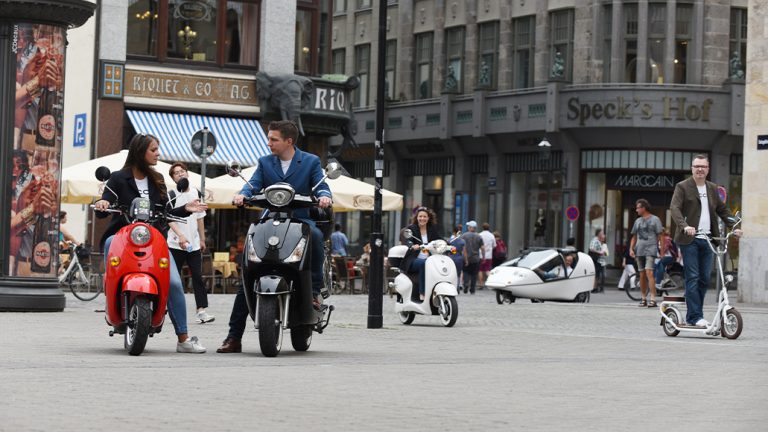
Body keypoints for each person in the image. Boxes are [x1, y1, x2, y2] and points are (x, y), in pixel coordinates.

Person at [218, 120, 332, 353]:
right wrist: (242, 194)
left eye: (273, 139)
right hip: (270, 219)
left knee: (317, 236)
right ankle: (234, 337)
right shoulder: (264, 162)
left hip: (301, 220)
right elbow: (253, 184)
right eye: (269, 138)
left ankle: (314, 291)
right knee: (250, 272)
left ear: (288, 141)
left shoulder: (309, 161)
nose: (268, 143)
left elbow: (321, 185)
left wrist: (324, 196)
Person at [93, 133, 208, 354]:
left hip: (154, 238)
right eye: (154, 150)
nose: (158, 153)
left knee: (174, 283)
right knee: (109, 242)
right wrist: (103, 202)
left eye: (157, 149)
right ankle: (111, 294)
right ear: (140, 151)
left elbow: (166, 212)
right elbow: (105, 200)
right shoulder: (118, 178)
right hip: (124, 236)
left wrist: (186, 209)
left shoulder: (158, 179)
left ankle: (183, 338)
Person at [670, 154, 742, 327]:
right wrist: (685, 226)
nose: (700, 169)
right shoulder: (683, 187)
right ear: (692, 169)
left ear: (708, 169)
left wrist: (734, 227)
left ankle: (695, 312)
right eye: (697, 166)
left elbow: (723, 211)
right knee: (693, 277)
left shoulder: (712, 188)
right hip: (690, 239)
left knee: (704, 278)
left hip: (709, 239)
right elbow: (675, 208)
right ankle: (695, 317)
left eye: (703, 166)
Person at [167, 162, 214, 324]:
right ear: (173, 178)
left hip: (193, 244)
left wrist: (201, 239)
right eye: (176, 173)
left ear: (187, 173)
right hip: (175, 244)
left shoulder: (196, 192)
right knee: (172, 278)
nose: (180, 174)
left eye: (182, 171)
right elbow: (168, 218)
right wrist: (180, 236)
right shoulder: (171, 194)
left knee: (197, 277)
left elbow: (200, 217)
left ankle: (201, 310)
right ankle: (165, 307)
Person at [399, 207, 441, 301]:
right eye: (420, 216)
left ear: (428, 218)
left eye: (425, 216)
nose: (422, 218)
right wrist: (412, 245)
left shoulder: (431, 229)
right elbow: (407, 240)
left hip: (429, 258)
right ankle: (422, 293)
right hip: (413, 259)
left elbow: (439, 239)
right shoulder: (411, 229)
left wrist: (449, 244)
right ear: (417, 217)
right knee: (423, 263)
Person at [629, 199, 663, 307]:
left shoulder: (655, 219)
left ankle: (653, 299)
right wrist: (631, 249)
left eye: (638, 207)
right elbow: (634, 236)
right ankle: (643, 298)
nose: (636, 209)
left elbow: (660, 236)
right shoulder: (637, 221)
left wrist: (661, 251)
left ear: (644, 208)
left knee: (649, 272)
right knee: (642, 274)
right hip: (639, 250)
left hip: (651, 249)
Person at [461, 221, 483, 294]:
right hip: (475, 258)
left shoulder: (464, 236)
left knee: (466, 272)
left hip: (466, 257)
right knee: (474, 274)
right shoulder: (479, 236)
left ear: (470, 227)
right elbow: (482, 248)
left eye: (468, 226)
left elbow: (462, 247)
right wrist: (483, 256)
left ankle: (466, 284)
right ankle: (472, 289)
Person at [478, 223, 496, 288]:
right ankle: (491, 283)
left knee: (480, 270)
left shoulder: (480, 235)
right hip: (489, 256)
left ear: (482, 227)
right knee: (487, 270)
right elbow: (494, 245)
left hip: (480, 255)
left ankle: (481, 284)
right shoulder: (491, 235)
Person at [588, 228, 606, 293]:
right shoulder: (595, 240)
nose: (603, 234)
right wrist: (600, 252)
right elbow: (591, 249)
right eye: (602, 233)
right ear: (599, 234)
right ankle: (594, 288)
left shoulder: (599, 241)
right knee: (597, 275)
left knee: (598, 275)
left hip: (600, 261)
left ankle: (597, 288)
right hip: (597, 260)